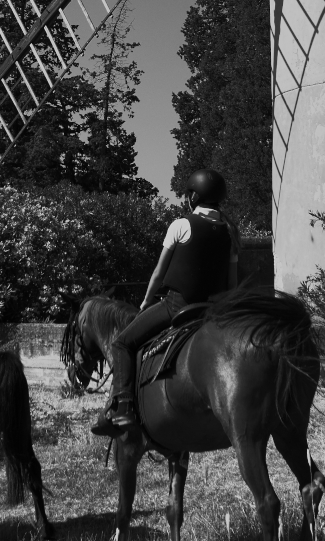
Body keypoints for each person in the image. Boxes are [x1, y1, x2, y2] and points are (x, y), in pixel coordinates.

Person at [91, 168, 238, 436]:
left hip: (177, 306)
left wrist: (146, 303)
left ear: (194, 196)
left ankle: (122, 408)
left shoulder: (181, 225)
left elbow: (159, 273)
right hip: (212, 312)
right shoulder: (230, 232)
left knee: (122, 343)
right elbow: (231, 284)